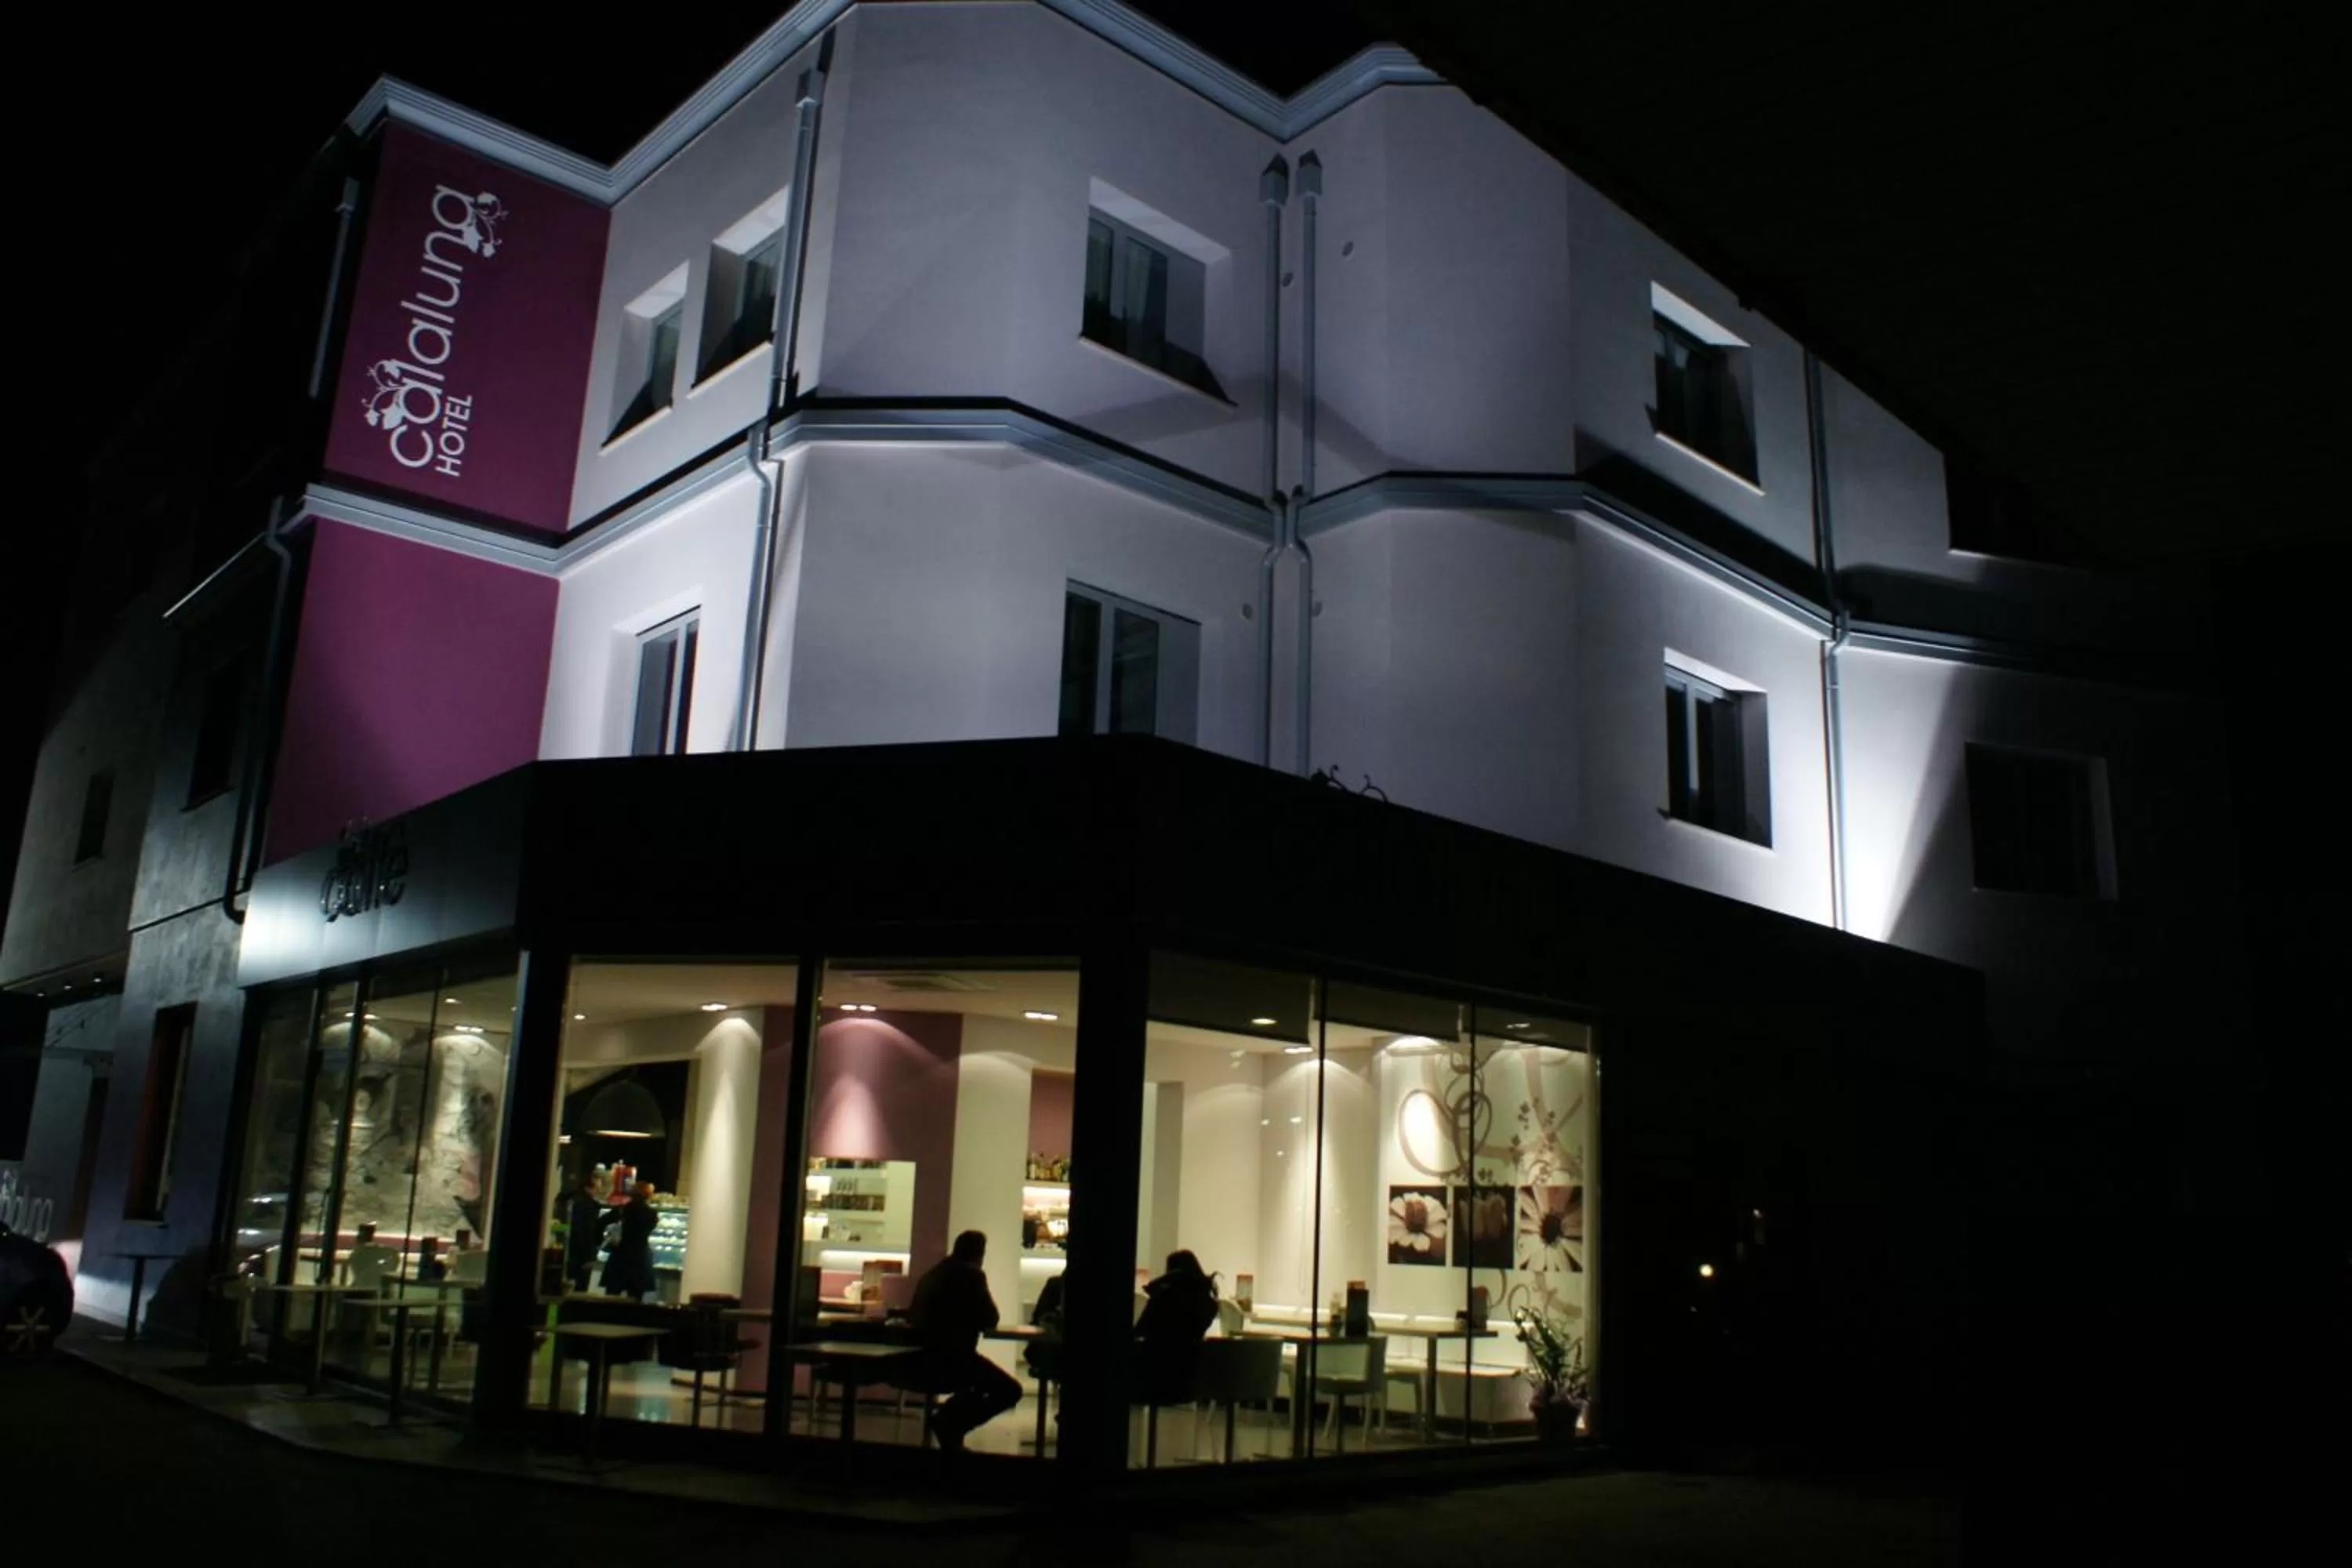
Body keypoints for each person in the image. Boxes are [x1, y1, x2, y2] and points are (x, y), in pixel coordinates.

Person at [907, 1230, 1022, 1453]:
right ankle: (950, 1422)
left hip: (927, 1356)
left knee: (978, 1384)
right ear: (980, 1253)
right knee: (1009, 1390)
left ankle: (947, 1421)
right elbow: (990, 1318)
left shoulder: (935, 1273)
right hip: (955, 1358)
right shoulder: (971, 1275)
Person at [1134, 1248, 1219, 1405]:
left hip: (1156, 1374)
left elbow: (1140, 1330)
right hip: (1190, 1377)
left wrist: (1157, 1287)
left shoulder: (1164, 1299)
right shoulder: (1208, 1304)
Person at [597, 1180, 660, 1301]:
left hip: (619, 1257)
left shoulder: (621, 1210)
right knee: (636, 1299)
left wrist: (603, 1242)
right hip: (640, 1259)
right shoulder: (652, 1214)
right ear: (648, 1195)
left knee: (611, 1298)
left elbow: (600, 1223)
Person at [555, 1168, 604, 1293]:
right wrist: (588, 1256)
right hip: (580, 1256)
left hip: (567, 1252)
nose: (598, 1191)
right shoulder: (586, 1205)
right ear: (589, 1188)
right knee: (580, 1288)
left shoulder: (571, 1200)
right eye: (597, 1188)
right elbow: (585, 1231)